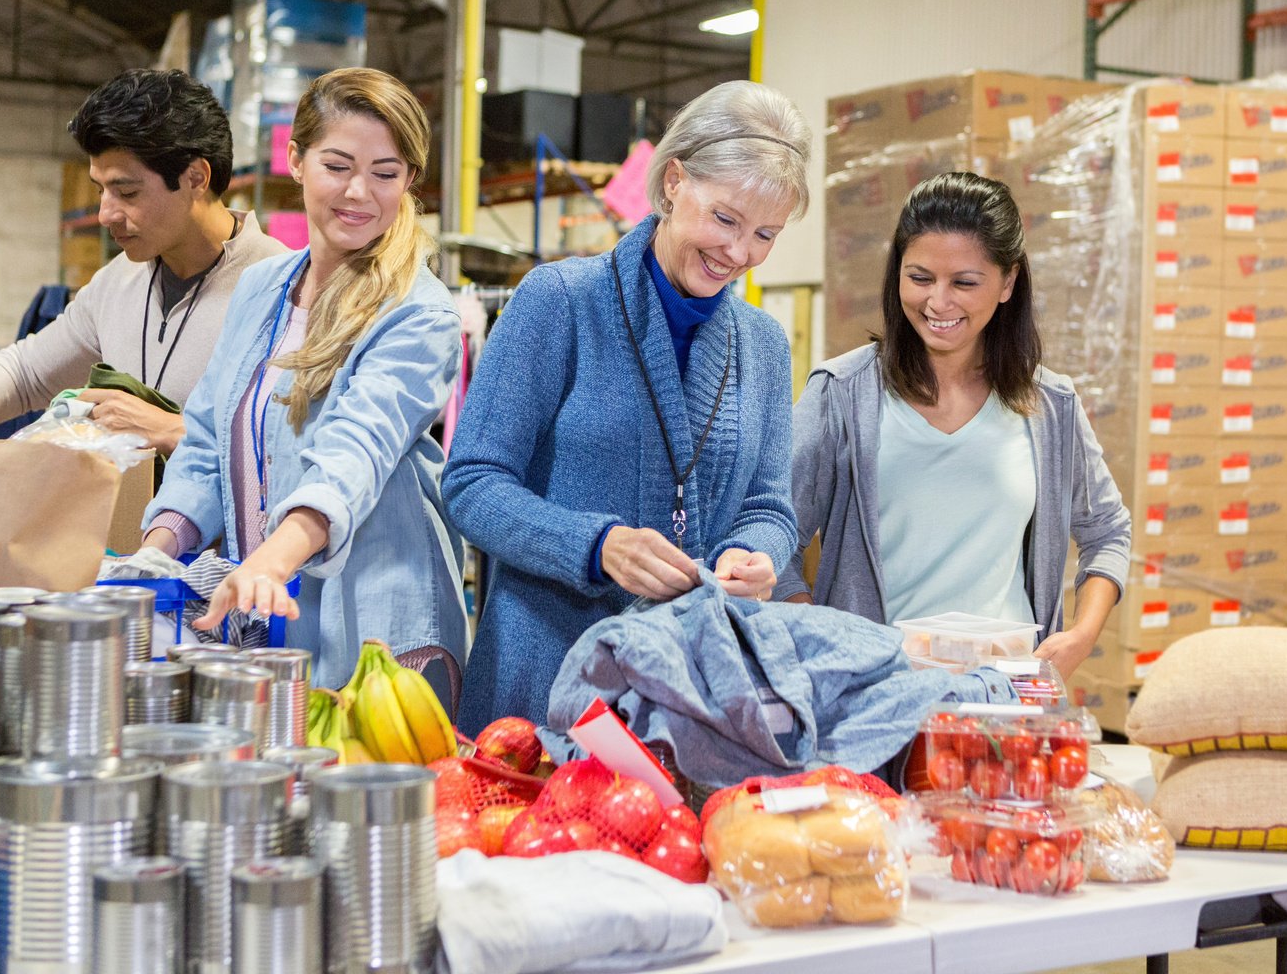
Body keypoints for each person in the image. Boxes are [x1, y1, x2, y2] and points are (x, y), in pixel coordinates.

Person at [444, 80, 811, 731]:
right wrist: (597, 545)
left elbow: (769, 506)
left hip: (688, 697)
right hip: (544, 684)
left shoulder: (763, 345)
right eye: (724, 219)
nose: (739, 253)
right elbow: (472, 484)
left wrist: (757, 554)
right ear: (673, 181)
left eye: (765, 235)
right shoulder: (562, 301)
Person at [138, 67, 466, 688]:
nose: (359, 193)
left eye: (386, 173)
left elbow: (354, 455)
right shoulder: (263, 288)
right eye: (337, 165)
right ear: (296, 158)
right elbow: (209, 436)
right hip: (272, 611)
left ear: (410, 182)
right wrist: (158, 551)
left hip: (379, 636)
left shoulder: (418, 313)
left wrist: (272, 559)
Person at [779, 171, 1130, 680]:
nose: (938, 302)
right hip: (870, 694)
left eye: (964, 282)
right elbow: (770, 534)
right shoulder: (841, 393)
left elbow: (1108, 530)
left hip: (1003, 695)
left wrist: (1080, 636)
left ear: (1008, 282)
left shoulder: (1049, 406)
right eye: (920, 278)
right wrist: (815, 632)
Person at [0, 69, 285, 453]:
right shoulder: (117, 283)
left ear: (195, 177)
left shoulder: (285, 292)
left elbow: (292, 449)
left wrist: (178, 431)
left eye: (126, 191)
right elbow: (24, 374)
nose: (107, 214)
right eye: (101, 190)